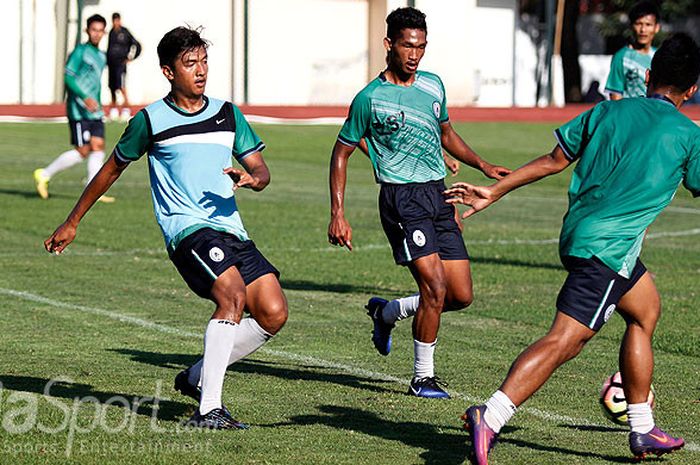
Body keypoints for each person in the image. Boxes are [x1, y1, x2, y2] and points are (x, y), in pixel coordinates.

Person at [446, 33, 699, 463]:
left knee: (645, 309)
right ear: (692, 91)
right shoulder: (688, 134)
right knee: (566, 339)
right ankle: (490, 415)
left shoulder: (606, 110)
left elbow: (553, 159)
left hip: (581, 237)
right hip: (608, 252)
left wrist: (495, 191)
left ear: (650, 76)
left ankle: (642, 428)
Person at [44, 26, 288, 429]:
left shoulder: (228, 113)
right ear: (168, 71)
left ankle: (196, 378)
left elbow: (259, 167)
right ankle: (209, 408)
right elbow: (111, 169)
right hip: (188, 230)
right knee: (231, 294)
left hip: (232, 229)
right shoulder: (150, 120)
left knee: (274, 313)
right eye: (190, 63)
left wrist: (254, 178)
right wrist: (72, 221)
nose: (201, 70)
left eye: (204, 61)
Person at [328, 7, 510, 399]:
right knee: (435, 286)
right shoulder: (369, 99)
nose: (415, 55)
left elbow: (447, 132)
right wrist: (338, 213)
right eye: (408, 46)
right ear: (389, 45)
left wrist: (482, 163)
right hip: (401, 199)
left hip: (438, 194)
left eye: (422, 47)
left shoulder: (433, 85)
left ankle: (387, 312)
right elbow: (340, 152)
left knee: (459, 296)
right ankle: (422, 377)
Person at [34, 14, 114, 203]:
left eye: (100, 30)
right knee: (83, 150)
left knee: (99, 147)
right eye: (93, 30)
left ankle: (93, 189)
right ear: (87, 31)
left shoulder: (101, 56)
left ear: (104, 32)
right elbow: (68, 77)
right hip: (78, 110)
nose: (96, 34)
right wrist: (84, 97)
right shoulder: (80, 51)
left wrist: (98, 102)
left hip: (95, 110)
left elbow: (95, 83)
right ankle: (44, 174)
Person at [605, 1, 660, 100]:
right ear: (631, 26)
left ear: (656, 28)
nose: (643, 30)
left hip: (653, 113)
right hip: (630, 114)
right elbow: (615, 95)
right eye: (638, 24)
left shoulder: (660, 56)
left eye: (648, 24)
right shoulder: (621, 57)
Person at [107, 12, 141, 121]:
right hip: (112, 64)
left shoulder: (125, 32)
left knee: (122, 87)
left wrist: (131, 57)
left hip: (121, 65)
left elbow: (137, 45)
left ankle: (126, 109)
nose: (116, 22)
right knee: (112, 87)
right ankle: (114, 110)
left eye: (117, 20)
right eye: (114, 20)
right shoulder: (111, 32)